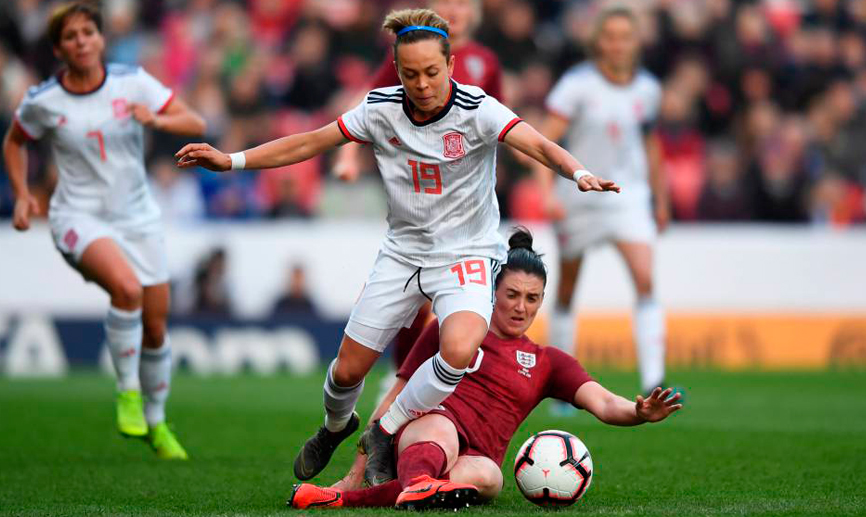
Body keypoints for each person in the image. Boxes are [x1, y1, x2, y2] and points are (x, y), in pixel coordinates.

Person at [176, 8, 618, 487]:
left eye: (432, 72)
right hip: (402, 253)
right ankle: (335, 427)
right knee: (346, 373)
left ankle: (384, 430)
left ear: (451, 65)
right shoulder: (379, 108)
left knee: (461, 348)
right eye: (410, 74)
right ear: (398, 69)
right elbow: (309, 142)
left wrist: (578, 173)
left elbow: (537, 144)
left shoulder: (478, 109)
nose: (422, 83)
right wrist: (232, 159)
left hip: (467, 254)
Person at [288, 229, 682, 510]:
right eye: (511, 294)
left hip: (470, 462)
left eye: (532, 298)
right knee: (441, 428)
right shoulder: (452, 330)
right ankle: (361, 493)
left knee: (491, 477)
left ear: (542, 301)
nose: (520, 306)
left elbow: (604, 402)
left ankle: (413, 491)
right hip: (423, 436)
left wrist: (640, 413)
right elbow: (393, 400)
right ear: (493, 291)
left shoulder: (547, 362)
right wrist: (355, 472)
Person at [2, 2, 205, 459]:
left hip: (138, 217)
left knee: (155, 327)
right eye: (71, 36)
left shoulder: (131, 82)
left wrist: (159, 118)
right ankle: (127, 395)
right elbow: (14, 142)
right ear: (59, 48)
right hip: (77, 217)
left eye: (88, 32)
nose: (82, 41)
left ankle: (155, 421)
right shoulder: (43, 101)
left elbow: (195, 122)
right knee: (126, 289)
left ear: (99, 38)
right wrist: (21, 193)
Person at [332, 0, 504, 379]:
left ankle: (430, 386)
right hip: (418, 191)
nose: (455, 10)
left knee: (458, 312)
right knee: (412, 303)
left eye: (462, 4)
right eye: (447, 3)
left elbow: (499, 120)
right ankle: (400, 380)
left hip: (465, 203)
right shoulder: (412, 53)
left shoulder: (484, 62)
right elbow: (366, 103)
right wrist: (348, 157)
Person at [535, 6, 670, 397]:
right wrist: (547, 192)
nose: (617, 44)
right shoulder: (576, 86)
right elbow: (546, 141)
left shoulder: (647, 90)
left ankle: (654, 380)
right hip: (580, 194)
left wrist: (661, 200)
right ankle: (559, 384)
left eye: (624, 36)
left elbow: (651, 145)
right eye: (609, 36)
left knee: (645, 280)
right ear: (598, 42)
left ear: (635, 42)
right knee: (566, 289)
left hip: (629, 197)